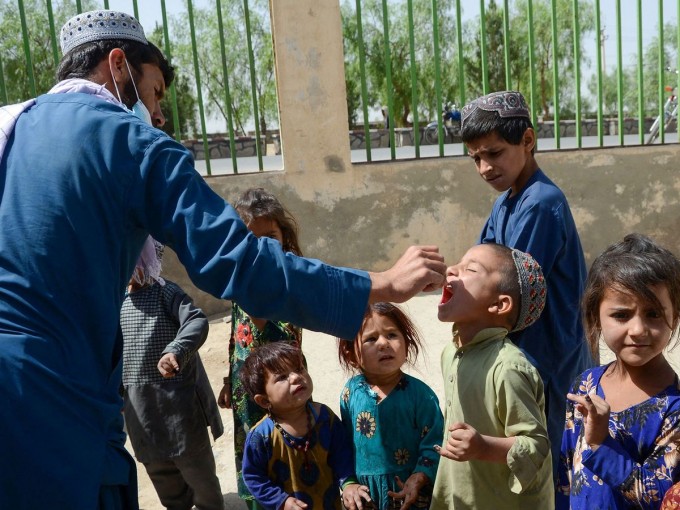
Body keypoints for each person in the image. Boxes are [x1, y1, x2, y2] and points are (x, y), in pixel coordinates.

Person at [0, 9, 446, 509]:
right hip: (50, 401)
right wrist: (380, 283)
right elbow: (238, 260)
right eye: (155, 93)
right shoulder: (129, 142)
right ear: (119, 64)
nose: (160, 115)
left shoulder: (12, 130)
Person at [460, 90, 592, 472]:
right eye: (476, 159)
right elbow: (478, 264)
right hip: (526, 354)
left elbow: (503, 287)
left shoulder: (541, 203)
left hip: (548, 356)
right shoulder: (505, 201)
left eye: (494, 153)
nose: (485, 167)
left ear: (528, 141)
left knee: (550, 461)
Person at [556, 233, 680, 509]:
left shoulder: (673, 411)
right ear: (595, 316)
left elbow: (662, 498)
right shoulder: (585, 385)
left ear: (675, 314)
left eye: (654, 314)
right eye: (622, 315)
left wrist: (601, 443)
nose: (638, 330)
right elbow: (567, 470)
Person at [430, 243, 554, 509]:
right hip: (462, 496)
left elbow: (535, 445)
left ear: (499, 304)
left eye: (470, 269)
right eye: (457, 264)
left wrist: (482, 447)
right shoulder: (450, 353)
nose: (451, 270)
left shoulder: (508, 368)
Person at [217, 187, 304, 510]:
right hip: (246, 392)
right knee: (253, 455)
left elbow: (289, 337)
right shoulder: (240, 277)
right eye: (251, 239)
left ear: (284, 235)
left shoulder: (290, 272)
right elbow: (237, 335)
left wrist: (259, 309)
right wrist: (229, 381)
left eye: (270, 236)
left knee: (282, 453)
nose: (262, 246)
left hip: (281, 386)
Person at [120, 239, 223, 510]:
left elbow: (196, 320)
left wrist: (175, 351)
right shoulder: (116, 302)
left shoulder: (166, 292)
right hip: (139, 409)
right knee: (160, 471)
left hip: (178, 403)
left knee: (197, 471)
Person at [240, 342, 372, 510]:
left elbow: (342, 453)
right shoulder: (261, 436)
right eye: (282, 377)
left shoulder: (325, 417)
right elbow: (254, 477)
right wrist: (281, 501)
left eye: (299, 369)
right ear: (264, 400)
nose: (295, 377)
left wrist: (348, 483)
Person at [337, 302, 443, 510]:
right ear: (351, 354)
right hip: (365, 497)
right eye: (371, 339)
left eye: (392, 335)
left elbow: (434, 443)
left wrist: (419, 477)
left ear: (407, 343)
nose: (384, 344)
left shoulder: (421, 395)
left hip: (408, 493)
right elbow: (344, 445)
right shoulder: (351, 393)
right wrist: (349, 483)